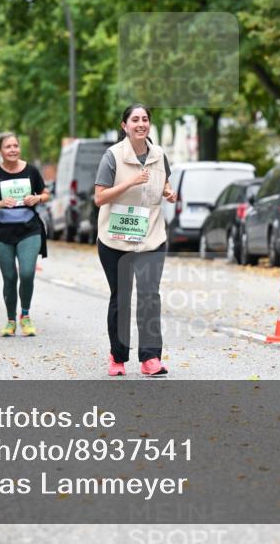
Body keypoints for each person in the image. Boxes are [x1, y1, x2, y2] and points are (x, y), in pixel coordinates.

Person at [94, 104, 177, 377]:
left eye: (145, 119)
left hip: (151, 236)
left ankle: (150, 358)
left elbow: (163, 183)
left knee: (149, 297)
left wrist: (168, 192)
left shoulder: (159, 155)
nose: (140, 124)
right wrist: (130, 182)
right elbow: (100, 197)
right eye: (135, 120)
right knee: (122, 298)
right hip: (115, 239)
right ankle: (117, 357)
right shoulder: (113, 156)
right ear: (124, 126)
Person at [0, 133, 50, 337]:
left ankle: (25, 316)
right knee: (10, 277)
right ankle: (10, 320)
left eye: (15, 146)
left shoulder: (31, 171)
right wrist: (0, 203)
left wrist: (36, 198)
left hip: (29, 229)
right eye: (8, 147)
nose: (13, 150)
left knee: (27, 273)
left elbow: (46, 194)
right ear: (0, 151)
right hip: (0, 233)